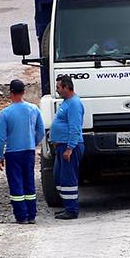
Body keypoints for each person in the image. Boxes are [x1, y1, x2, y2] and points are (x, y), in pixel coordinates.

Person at [0, 79, 46, 224]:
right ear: (24, 92)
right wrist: (32, 143)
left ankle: (21, 216)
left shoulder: (5, 113)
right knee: (29, 182)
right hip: (29, 152)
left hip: (13, 153)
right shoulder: (34, 109)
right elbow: (41, 131)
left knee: (16, 183)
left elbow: (1, 138)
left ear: (10, 93)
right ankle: (31, 215)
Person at [48, 74, 85, 220]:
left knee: (68, 179)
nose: (57, 90)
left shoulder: (74, 104)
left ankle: (71, 210)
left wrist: (70, 148)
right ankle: (67, 206)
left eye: (58, 87)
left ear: (66, 87)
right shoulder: (66, 102)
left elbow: (75, 128)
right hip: (61, 147)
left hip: (69, 148)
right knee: (59, 177)